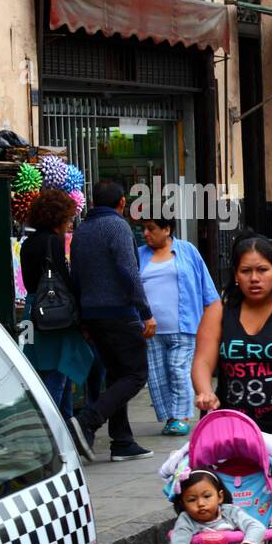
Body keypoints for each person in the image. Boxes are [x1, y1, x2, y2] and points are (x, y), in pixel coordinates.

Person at [192, 236, 272, 456]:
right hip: (232, 423)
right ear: (235, 275)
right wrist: (204, 392)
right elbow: (202, 361)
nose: (255, 278)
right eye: (246, 271)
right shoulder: (218, 310)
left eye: (262, 270)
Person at [66, 180, 155, 464]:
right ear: (121, 204)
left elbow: (75, 277)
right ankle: (87, 421)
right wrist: (145, 312)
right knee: (136, 374)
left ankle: (122, 441)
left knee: (116, 375)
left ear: (92, 204)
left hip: (92, 315)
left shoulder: (81, 231)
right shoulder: (117, 227)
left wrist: (82, 316)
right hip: (119, 312)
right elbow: (129, 272)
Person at [139, 214, 219, 437]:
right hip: (151, 330)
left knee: (178, 370)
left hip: (184, 326)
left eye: (151, 228)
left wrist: (211, 315)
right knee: (157, 376)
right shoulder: (139, 255)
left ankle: (182, 416)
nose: (146, 234)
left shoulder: (188, 251)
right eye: (144, 229)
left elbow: (206, 286)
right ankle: (170, 417)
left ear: (167, 230)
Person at [20, 190, 92, 422]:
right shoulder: (53, 242)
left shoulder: (28, 243)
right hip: (55, 312)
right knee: (60, 369)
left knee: (42, 368)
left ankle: (64, 424)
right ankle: (56, 425)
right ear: (57, 217)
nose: (70, 223)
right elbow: (62, 281)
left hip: (34, 310)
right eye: (69, 218)